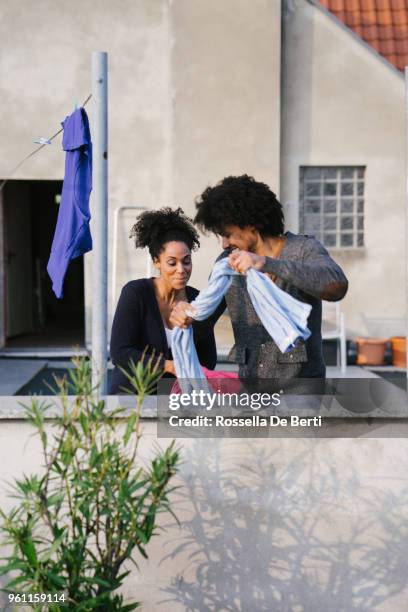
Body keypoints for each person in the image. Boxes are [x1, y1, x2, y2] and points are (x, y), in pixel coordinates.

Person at [170, 174, 348, 383]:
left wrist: (266, 263)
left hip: (302, 395)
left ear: (250, 225)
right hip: (251, 395)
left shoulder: (302, 249)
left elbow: (337, 287)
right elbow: (205, 322)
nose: (224, 244)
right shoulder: (226, 264)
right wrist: (187, 316)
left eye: (228, 234)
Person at [109, 207, 217, 394]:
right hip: (132, 397)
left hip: (177, 400)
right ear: (156, 261)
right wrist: (168, 366)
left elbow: (208, 360)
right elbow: (120, 353)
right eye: (172, 262)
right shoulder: (135, 293)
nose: (181, 269)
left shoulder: (198, 300)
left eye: (186, 261)